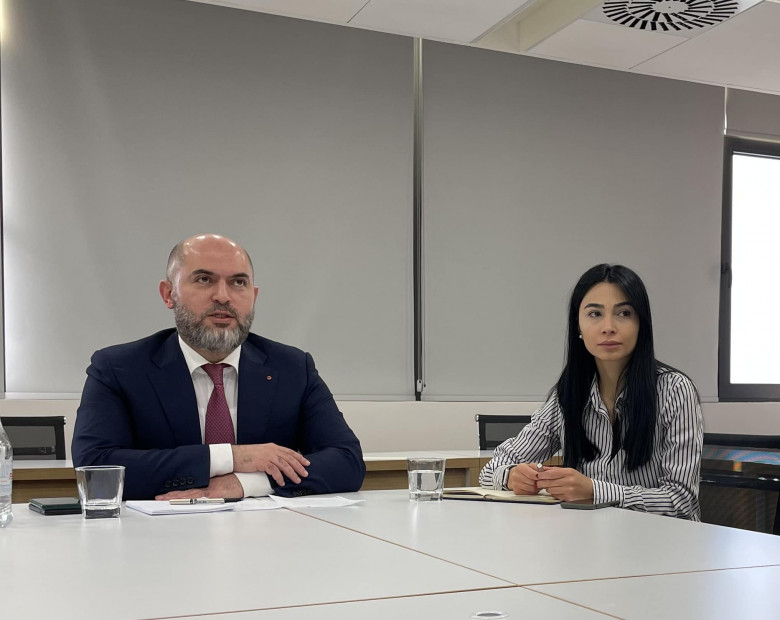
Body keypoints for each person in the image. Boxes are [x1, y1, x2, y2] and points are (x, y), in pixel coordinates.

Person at [72, 233, 365, 500]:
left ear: (254, 296)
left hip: (267, 534)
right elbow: (95, 469)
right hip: (157, 534)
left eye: (238, 283)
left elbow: (346, 461)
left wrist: (244, 483)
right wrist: (233, 457)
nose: (223, 296)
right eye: (204, 279)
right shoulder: (119, 369)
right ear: (168, 294)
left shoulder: (292, 368)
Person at [479, 264, 703, 520]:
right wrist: (511, 476)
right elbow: (491, 468)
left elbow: (682, 501)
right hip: (587, 536)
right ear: (578, 326)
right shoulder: (569, 394)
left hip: (661, 540)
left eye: (624, 313)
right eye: (595, 314)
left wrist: (596, 491)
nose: (608, 327)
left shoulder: (675, 391)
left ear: (641, 323)